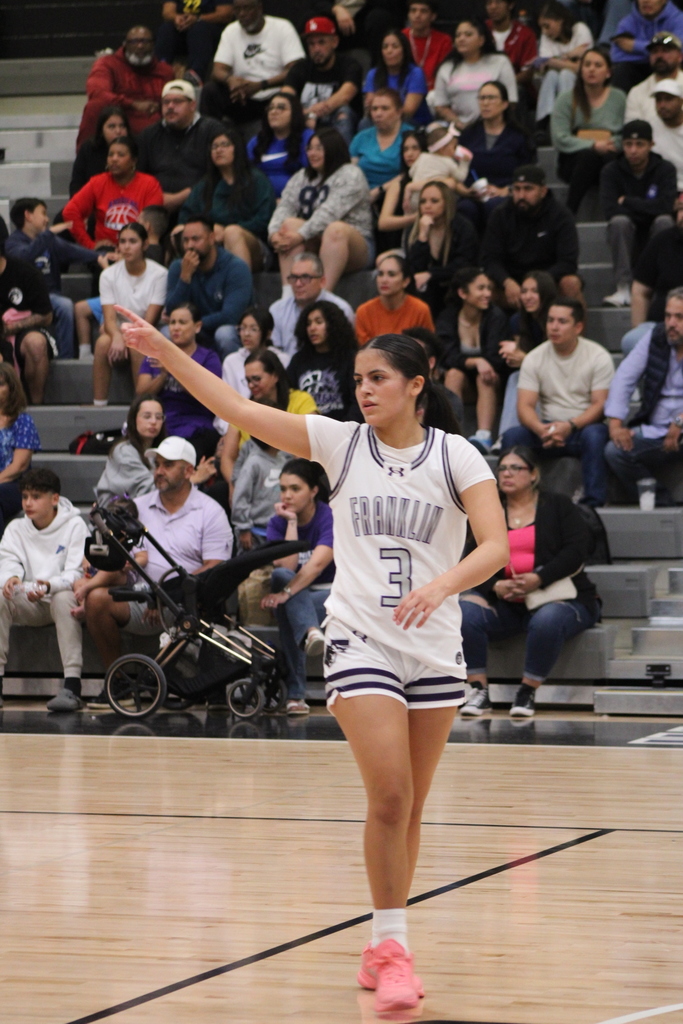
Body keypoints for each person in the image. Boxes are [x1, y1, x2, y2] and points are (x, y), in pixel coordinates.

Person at [114, 306, 508, 1014]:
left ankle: (381, 939)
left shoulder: (456, 456)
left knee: (410, 805)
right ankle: (393, 944)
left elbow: (494, 547)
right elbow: (233, 404)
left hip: (434, 645)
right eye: (358, 378)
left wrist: (443, 582)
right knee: (388, 794)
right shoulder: (340, 443)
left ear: (416, 385)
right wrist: (162, 352)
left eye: (378, 378)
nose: (363, 389)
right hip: (361, 636)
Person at [459, 445, 600, 719]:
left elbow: (576, 550)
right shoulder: (489, 510)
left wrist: (539, 578)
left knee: (548, 618)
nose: (507, 474)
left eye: (516, 468)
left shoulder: (558, 506)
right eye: (502, 468)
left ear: (533, 474)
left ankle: (527, 691)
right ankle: (478, 690)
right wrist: (494, 586)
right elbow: (471, 555)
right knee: (465, 612)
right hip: (507, 602)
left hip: (560, 596)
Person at [84, 435, 232, 694]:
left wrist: (167, 593)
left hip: (185, 604)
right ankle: (117, 680)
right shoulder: (136, 508)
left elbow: (216, 567)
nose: (159, 471)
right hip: (141, 598)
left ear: (189, 471)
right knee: (97, 599)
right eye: (157, 464)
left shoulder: (211, 511)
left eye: (167, 465)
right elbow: (119, 558)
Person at [501, 298, 615, 507]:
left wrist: (570, 426)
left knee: (596, 434)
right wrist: (541, 429)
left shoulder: (598, 356)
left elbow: (600, 405)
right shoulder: (535, 357)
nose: (554, 327)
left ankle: (593, 504)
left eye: (562, 321)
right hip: (545, 428)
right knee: (513, 436)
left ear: (578, 327)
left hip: (580, 428)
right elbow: (524, 406)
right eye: (550, 320)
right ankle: (512, 501)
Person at [0, 468, 90, 713]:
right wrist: (12, 578)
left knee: (64, 596)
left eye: (36, 496)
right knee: (0, 595)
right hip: (28, 600)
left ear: (54, 499)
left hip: (59, 598)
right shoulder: (16, 528)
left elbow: (77, 573)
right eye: (25, 496)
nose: (28, 503)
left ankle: (72, 686)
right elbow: (7, 559)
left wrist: (49, 585)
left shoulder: (75, 525)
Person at [262, 458, 335, 714]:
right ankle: (311, 632)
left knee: (287, 606)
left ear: (314, 490)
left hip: (330, 593)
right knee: (282, 579)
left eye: (295, 488)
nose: (287, 495)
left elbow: (316, 566)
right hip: (297, 592)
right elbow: (287, 569)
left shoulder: (328, 516)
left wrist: (285, 594)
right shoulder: (278, 522)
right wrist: (291, 522)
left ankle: (296, 694)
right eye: (283, 489)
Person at [268, 127, 374, 289]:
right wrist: (274, 233)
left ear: (333, 149)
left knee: (335, 229)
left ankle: (323, 296)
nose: (312, 153)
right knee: (289, 225)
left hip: (355, 245)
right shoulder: (301, 176)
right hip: (315, 239)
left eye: (319, 148)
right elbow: (285, 206)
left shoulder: (351, 174)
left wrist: (300, 235)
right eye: (310, 148)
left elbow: (329, 213)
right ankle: (288, 295)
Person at [6, 197, 112, 359]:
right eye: (43, 213)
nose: (47, 219)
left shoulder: (50, 240)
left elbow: (75, 252)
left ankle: (66, 358)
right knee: (64, 304)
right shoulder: (12, 243)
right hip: (22, 299)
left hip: (50, 295)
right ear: (28, 216)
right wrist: (49, 234)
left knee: (65, 305)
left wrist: (101, 255)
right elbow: (24, 258)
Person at [605, 287, 683, 504]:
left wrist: (680, 421)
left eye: (679, 317)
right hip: (657, 429)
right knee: (615, 451)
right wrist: (615, 423)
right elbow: (624, 377)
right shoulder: (656, 337)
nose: (671, 323)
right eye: (668, 316)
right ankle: (663, 503)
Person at [481, 165, 584, 308]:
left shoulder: (561, 215)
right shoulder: (500, 215)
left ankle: (576, 331)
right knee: (484, 286)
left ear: (543, 191)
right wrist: (506, 281)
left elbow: (568, 262)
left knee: (571, 283)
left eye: (528, 189)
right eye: (517, 189)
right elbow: (490, 260)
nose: (521, 195)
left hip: (548, 280)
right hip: (512, 283)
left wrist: (535, 285)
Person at [600, 119, 677, 307]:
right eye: (628, 144)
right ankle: (623, 287)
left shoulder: (665, 169)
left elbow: (667, 207)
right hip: (628, 233)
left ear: (651, 145)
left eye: (639, 144)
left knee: (664, 222)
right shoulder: (611, 170)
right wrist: (649, 207)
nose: (633, 150)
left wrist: (627, 201)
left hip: (655, 232)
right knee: (619, 222)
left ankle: (661, 285)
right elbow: (609, 210)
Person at [178, 126, 276, 272]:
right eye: (214, 147)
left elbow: (264, 219)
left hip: (254, 244)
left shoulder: (256, 179)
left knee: (232, 232)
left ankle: (242, 289)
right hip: (212, 243)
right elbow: (185, 216)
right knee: (178, 231)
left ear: (236, 148)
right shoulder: (205, 185)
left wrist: (225, 230)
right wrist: (207, 231)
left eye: (224, 145)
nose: (218, 150)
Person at [435, 266, 509, 450]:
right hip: (464, 385)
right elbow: (446, 356)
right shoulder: (448, 317)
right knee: (453, 374)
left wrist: (482, 364)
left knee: (484, 376)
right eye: (481, 288)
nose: (487, 294)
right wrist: (476, 361)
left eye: (489, 288)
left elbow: (496, 358)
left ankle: (484, 436)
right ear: (462, 293)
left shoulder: (496, 316)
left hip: (492, 383)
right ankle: (452, 435)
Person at [93, 223, 167, 405]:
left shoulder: (159, 274)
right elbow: (109, 318)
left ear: (145, 245)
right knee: (103, 342)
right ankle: (99, 405)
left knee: (138, 344)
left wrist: (123, 336)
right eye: (123, 241)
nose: (126, 246)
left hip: (148, 329)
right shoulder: (108, 275)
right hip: (120, 329)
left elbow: (149, 320)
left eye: (132, 241)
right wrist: (116, 335)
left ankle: (140, 406)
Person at [137, 301, 222, 459]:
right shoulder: (155, 354)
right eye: (172, 322)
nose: (176, 327)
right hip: (161, 423)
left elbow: (210, 397)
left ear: (197, 327)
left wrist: (172, 369)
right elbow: (141, 394)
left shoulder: (209, 358)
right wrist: (162, 375)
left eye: (182, 323)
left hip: (196, 425)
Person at [218, 347, 317, 482]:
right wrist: (235, 486)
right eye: (248, 380)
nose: (251, 385)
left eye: (256, 379)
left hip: (292, 476)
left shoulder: (301, 400)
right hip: (252, 481)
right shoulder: (242, 409)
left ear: (275, 376)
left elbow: (312, 442)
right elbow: (227, 458)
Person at [199, 0, 305, 125]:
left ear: (259, 8)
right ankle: (211, 135)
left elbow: (297, 69)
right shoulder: (231, 30)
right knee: (210, 91)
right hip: (242, 97)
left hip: (274, 94)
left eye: (247, 8)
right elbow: (217, 70)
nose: (242, 14)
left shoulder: (282, 27)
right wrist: (230, 80)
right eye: (238, 9)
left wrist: (261, 85)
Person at [165, 214, 253, 358]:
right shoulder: (179, 267)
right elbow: (171, 310)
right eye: (185, 240)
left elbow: (231, 316)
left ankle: (231, 379)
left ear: (212, 238)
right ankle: (174, 380)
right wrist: (185, 278)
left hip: (220, 329)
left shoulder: (235, 268)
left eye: (196, 239)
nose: (189, 246)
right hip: (193, 330)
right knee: (165, 334)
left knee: (225, 335)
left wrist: (191, 324)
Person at [551, 48, 626, 215]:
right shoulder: (566, 98)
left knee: (610, 160)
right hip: (574, 161)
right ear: (581, 70)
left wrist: (610, 144)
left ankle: (617, 216)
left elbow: (625, 135)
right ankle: (569, 213)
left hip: (609, 155)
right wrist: (593, 145)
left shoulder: (619, 97)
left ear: (608, 72)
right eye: (587, 65)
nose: (591, 69)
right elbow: (559, 137)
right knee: (588, 156)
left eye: (598, 65)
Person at [76, 26, 174, 150]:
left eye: (145, 41)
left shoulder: (165, 71)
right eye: (134, 41)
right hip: (118, 118)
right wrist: (133, 104)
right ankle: (88, 160)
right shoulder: (107, 64)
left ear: (154, 44)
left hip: (152, 126)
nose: (140, 46)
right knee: (94, 107)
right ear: (125, 44)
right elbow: (97, 93)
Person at [136, 79, 224, 216]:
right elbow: (139, 175)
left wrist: (180, 198)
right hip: (155, 207)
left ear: (192, 105)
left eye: (177, 101)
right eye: (166, 102)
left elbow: (218, 173)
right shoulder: (149, 134)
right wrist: (155, 196)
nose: (170, 106)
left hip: (200, 205)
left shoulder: (211, 130)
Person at [457, 81, 536, 232]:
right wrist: (467, 191)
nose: (485, 103)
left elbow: (527, 172)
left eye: (491, 98)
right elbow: (457, 169)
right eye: (482, 98)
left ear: (505, 104)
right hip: (473, 193)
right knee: (465, 209)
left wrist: (506, 190)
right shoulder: (468, 135)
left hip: (505, 192)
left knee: (494, 207)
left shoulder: (518, 137)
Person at [63, 136, 164, 251]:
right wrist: (90, 246)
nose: (114, 159)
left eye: (121, 155)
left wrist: (130, 248)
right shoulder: (98, 182)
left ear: (134, 160)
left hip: (139, 250)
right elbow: (70, 212)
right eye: (110, 155)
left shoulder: (150, 184)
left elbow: (153, 224)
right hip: (106, 251)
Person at [282, 17, 362, 145]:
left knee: (343, 113)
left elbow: (345, 95)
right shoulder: (300, 68)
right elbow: (284, 99)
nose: (316, 49)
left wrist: (313, 113)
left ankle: (342, 160)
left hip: (335, 120)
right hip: (306, 119)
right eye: (311, 44)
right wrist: (307, 114)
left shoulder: (349, 65)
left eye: (321, 42)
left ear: (335, 42)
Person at [498, 270, 558, 436]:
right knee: (516, 376)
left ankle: (509, 434)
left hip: (561, 376)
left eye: (534, 291)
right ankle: (507, 435)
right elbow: (523, 354)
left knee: (519, 378)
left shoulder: (556, 320)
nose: (527, 297)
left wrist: (525, 359)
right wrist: (512, 356)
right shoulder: (518, 320)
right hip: (535, 376)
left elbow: (558, 361)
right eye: (524, 291)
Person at [405, 181, 479, 317]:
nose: (427, 206)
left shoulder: (462, 227)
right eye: (423, 201)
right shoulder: (414, 231)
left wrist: (431, 274)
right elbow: (414, 269)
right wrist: (422, 237)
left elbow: (464, 265)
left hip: (454, 290)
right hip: (426, 293)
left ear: (447, 203)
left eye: (434, 201)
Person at [433, 18, 518, 130]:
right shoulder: (446, 68)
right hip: (458, 128)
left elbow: (511, 101)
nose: (461, 39)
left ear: (481, 40)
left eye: (468, 35)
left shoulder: (500, 62)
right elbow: (441, 106)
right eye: (458, 35)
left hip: (495, 126)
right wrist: (459, 124)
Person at [0, 246, 57, 405]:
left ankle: (35, 406)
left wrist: (10, 328)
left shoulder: (25, 273)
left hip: (20, 331)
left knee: (36, 343)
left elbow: (46, 315)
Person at [269, 252, 355, 357]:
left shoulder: (341, 309)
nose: (298, 284)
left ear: (322, 281)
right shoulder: (277, 310)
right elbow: (273, 353)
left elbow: (347, 352)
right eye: (294, 278)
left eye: (305, 277)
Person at [289, 299, 358, 418]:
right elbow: (288, 395)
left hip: (343, 430)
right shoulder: (298, 360)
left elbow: (357, 402)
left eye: (318, 322)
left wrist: (344, 431)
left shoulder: (350, 358)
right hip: (305, 430)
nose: (312, 328)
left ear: (333, 324)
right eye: (308, 323)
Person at [95, 393, 166, 505]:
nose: (153, 422)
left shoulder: (164, 450)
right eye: (147, 416)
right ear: (133, 419)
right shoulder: (123, 451)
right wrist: (189, 482)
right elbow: (146, 490)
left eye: (158, 417)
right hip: (117, 516)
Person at [533, 0, 593, 133]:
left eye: (547, 26)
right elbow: (544, 66)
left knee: (566, 74)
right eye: (542, 27)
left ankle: (569, 117)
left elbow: (583, 68)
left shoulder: (580, 29)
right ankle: (545, 120)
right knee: (552, 75)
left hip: (582, 83)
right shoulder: (546, 36)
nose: (544, 31)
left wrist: (556, 61)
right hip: (555, 82)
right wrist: (570, 56)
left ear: (560, 20)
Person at [631, 197, 683, 345]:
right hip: (663, 324)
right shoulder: (662, 241)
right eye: (680, 209)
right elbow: (640, 291)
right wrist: (638, 330)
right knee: (632, 340)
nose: (682, 215)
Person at [355, 254, 435, 346]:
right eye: (380, 274)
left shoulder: (420, 310)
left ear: (406, 281)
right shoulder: (364, 312)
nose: (384, 280)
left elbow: (428, 348)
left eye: (391, 275)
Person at [246, 92, 313, 199]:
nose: (274, 111)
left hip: (295, 202)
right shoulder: (256, 141)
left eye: (281, 108)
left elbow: (312, 177)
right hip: (259, 203)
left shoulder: (307, 138)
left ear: (295, 113)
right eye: (270, 108)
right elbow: (245, 176)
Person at [0, 365, 41, 537]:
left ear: (12, 389)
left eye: (1, 384)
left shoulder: (23, 421)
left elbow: (19, 466)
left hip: (15, 485)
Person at [232, 436, 291, 552]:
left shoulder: (283, 462)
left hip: (279, 530)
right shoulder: (254, 463)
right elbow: (241, 497)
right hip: (254, 533)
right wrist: (244, 528)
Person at [611, 0, 683, 92]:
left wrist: (635, 46)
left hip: (671, 69)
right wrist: (660, 53)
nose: (646, 1)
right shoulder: (627, 23)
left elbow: (680, 50)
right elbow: (616, 57)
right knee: (622, 70)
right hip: (638, 72)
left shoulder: (678, 20)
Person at [362, 29, 430, 127]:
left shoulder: (416, 73)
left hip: (411, 122)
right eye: (385, 47)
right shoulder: (373, 74)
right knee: (364, 124)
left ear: (404, 50)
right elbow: (371, 108)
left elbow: (408, 112)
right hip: (381, 120)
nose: (389, 51)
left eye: (395, 46)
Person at [155, 0, 232, 82]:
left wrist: (198, 19)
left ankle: (195, 75)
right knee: (166, 29)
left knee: (199, 28)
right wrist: (177, 18)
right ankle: (160, 70)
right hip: (182, 29)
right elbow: (167, 12)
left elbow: (225, 14)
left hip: (209, 32)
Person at [376, 129, 427, 250]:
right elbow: (383, 222)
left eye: (415, 148)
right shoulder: (398, 183)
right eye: (405, 149)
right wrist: (414, 218)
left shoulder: (435, 178)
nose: (409, 154)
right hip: (402, 243)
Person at [349, 88, 405, 195]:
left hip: (396, 195)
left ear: (399, 112)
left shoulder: (409, 136)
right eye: (374, 109)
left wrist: (379, 191)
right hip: (362, 195)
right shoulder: (361, 137)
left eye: (385, 108)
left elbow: (410, 173)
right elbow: (351, 171)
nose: (378, 114)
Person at [69, 106, 130, 197]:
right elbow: (76, 185)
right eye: (112, 126)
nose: (118, 131)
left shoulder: (136, 149)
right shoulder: (88, 149)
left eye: (122, 126)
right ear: (101, 130)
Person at [625, 30, 683, 122]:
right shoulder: (637, 92)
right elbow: (634, 132)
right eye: (655, 51)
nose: (659, 56)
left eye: (665, 51)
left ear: (680, 56)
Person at [485, 0, 537, 102]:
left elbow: (527, 73)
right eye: (489, 3)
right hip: (482, 81)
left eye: (498, 2)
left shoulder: (526, 34)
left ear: (510, 5)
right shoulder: (480, 30)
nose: (493, 7)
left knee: (517, 90)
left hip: (515, 85)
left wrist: (502, 84)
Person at [402, 0, 452, 91]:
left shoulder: (444, 40)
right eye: (413, 10)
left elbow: (444, 73)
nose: (417, 15)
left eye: (423, 11)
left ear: (433, 16)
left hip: (435, 93)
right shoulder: (401, 37)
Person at [652, 78, 683, 188]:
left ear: (681, 101)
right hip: (661, 193)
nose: (662, 105)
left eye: (668, 99)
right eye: (658, 100)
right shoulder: (650, 128)